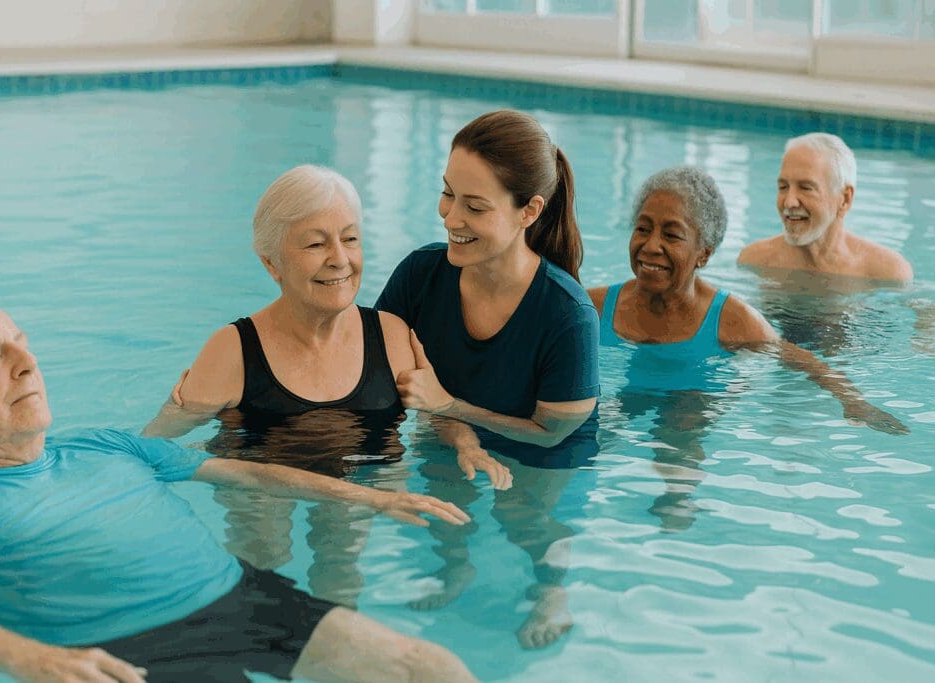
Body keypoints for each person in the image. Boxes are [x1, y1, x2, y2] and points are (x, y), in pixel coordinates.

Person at [0, 287, 478, 683]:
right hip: (122, 651)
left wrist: (373, 496)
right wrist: (33, 661)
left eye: (22, 343)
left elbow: (249, 472)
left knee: (429, 670)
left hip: (242, 597)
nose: (27, 364)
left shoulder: (104, 444)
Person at [143, 165, 510, 605]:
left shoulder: (391, 336)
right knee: (264, 559)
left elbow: (435, 412)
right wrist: (172, 411)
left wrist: (466, 445)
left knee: (341, 567)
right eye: (316, 244)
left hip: (360, 474)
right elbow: (153, 449)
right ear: (271, 263)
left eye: (350, 239)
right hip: (262, 476)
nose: (339, 259)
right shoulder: (234, 351)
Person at [376, 110, 600, 649]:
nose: (450, 216)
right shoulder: (420, 275)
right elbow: (381, 370)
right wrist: (452, 427)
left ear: (530, 212)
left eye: (474, 206)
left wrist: (451, 407)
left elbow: (551, 431)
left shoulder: (566, 315)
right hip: (449, 421)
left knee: (527, 517)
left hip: (547, 443)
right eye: (447, 194)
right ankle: (458, 570)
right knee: (445, 493)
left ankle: (552, 593)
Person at [588, 165, 907, 435]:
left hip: (693, 397)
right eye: (643, 229)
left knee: (683, 426)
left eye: (672, 235)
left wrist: (854, 402)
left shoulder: (730, 319)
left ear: (704, 254)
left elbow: (801, 360)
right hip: (625, 394)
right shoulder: (595, 307)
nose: (651, 246)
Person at [738, 132, 913, 282]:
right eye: (783, 187)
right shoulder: (755, 262)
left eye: (806, 188)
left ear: (844, 199)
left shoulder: (886, 273)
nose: (789, 202)